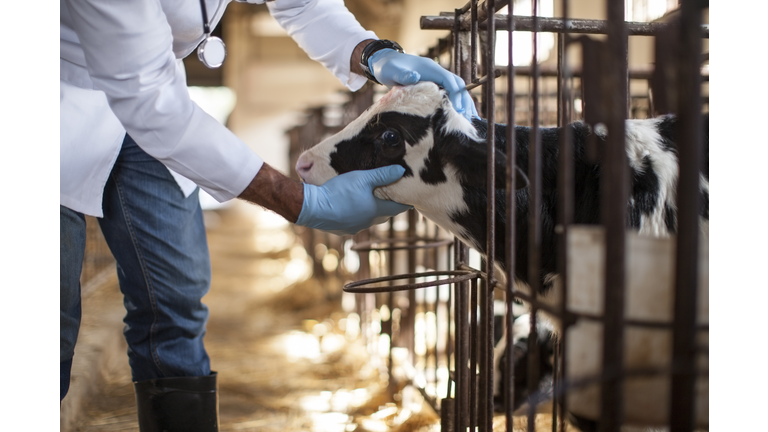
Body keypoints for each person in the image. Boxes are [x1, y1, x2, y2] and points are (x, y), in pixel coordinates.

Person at [60, 0, 476, 430]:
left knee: (176, 298)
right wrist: (301, 203)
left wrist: (371, 53)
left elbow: (302, 3)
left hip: (151, 93)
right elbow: (150, 101)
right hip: (59, 97)